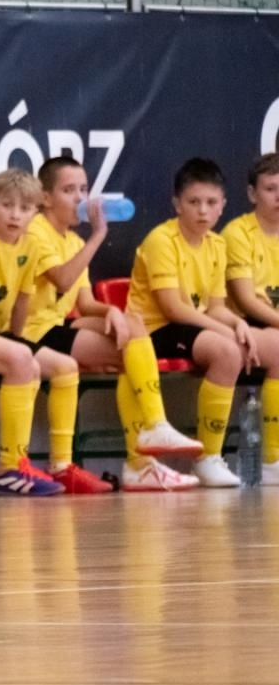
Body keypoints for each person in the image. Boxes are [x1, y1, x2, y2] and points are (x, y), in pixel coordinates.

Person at [20, 156, 203, 491]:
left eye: (84, 189)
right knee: (127, 354)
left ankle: (149, 440)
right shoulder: (37, 230)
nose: (80, 198)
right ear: (46, 198)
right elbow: (62, 280)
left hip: (57, 325)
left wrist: (112, 313)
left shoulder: (73, 242)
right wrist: (98, 235)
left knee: (131, 328)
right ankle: (142, 454)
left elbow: (86, 303)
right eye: (68, 190)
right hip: (32, 331)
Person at [126, 158, 256, 488]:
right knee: (226, 351)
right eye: (193, 202)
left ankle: (209, 457)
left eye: (211, 203)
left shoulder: (217, 244)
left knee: (233, 346)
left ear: (223, 206)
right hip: (151, 329)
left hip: (187, 326)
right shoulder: (162, 240)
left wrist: (237, 324)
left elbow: (215, 307)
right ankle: (206, 457)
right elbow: (172, 308)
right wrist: (222, 330)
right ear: (176, 204)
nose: (202, 211)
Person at [0, 169, 73, 495]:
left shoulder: (32, 245)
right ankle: (9, 467)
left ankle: (61, 465)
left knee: (64, 366)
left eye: (25, 209)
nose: (15, 214)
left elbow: (22, 302)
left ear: (35, 213)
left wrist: (17, 338)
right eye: (7, 205)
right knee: (22, 359)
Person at [222, 152, 279, 485]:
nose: (278, 196)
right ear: (252, 194)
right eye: (271, 189)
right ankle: (272, 459)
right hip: (243, 326)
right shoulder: (238, 233)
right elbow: (245, 300)